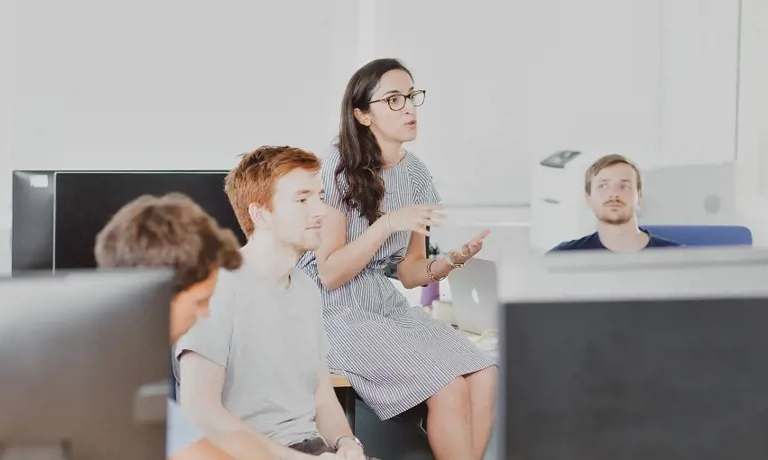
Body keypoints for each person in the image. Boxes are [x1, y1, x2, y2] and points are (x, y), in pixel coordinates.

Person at [295, 58, 498, 460]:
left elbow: (409, 274)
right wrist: (387, 224)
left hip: (383, 304)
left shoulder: (417, 173)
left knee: (486, 374)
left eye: (411, 96)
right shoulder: (336, 165)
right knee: (449, 385)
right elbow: (330, 273)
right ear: (363, 114)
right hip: (333, 310)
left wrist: (454, 260)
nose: (408, 107)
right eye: (393, 99)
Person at [175, 146, 377, 460]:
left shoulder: (307, 290)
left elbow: (322, 397)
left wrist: (347, 444)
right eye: (302, 199)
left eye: (320, 197)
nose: (321, 211)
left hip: (311, 448)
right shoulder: (216, 287)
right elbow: (200, 412)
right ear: (260, 214)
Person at [93, 192, 273, 460]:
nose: (205, 313)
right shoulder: (107, 383)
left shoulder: (131, 369)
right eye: (200, 301)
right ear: (155, 296)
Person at [549, 154, 682, 252]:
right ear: (588, 198)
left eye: (624, 186)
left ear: (639, 197)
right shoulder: (561, 258)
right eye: (603, 186)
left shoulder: (679, 258)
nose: (613, 194)